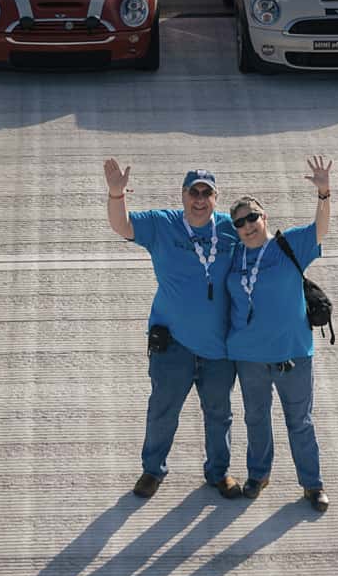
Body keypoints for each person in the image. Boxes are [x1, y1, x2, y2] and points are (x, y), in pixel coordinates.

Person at [104, 159, 243, 500]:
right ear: (182, 195)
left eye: (206, 193)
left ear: (216, 197)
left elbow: (262, 252)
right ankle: (152, 470)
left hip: (219, 347)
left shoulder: (230, 229)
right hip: (173, 345)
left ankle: (219, 473)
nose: (199, 199)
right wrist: (116, 193)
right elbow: (122, 226)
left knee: (219, 413)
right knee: (162, 411)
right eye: (193, 192)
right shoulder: (162, 224)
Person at [225, 155, 332, 512]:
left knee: (299, 420)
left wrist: (324, 193)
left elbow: (321, 228)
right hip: (249, 356)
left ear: (264, 217)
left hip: (293, 354)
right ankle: (258, 475)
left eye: (252, 217)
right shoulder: (233, 256)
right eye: (239, 222)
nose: (247, 225)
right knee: (255, 418)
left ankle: (312, 484)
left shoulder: (290, 245)